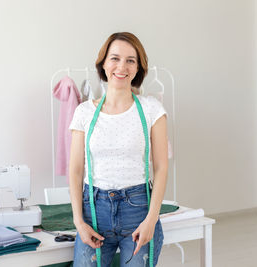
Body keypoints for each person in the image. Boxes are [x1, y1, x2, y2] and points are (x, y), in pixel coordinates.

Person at [69, 32, 168, 266]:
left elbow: (162, 168)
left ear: (138, 68)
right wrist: (79, 222)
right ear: (103, 63)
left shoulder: (152, 109)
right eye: (115, 58)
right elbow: (74, 170)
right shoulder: (84, 112)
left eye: (130, 60)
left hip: (139, 212)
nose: (121, 66)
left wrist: (151, 220)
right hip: (93, 212)